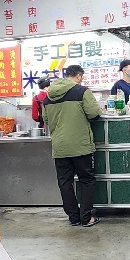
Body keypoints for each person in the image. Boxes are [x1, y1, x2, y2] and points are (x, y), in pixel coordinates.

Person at [42, 66, 101, 228]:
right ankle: (86, 218)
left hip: (59, 147)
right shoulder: (81, 92)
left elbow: (45, 119)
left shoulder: (48, 97)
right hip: (79, 144)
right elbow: (94, 114)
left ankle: (74, 218)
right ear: (79, 76)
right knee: (86, 180)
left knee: (65, 183)